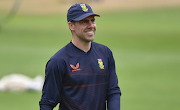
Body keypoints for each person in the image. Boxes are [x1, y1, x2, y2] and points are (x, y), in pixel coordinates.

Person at [39, 3, 121, 110]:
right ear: (71, 26)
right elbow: (47, 103)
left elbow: (113, 91)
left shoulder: (105, 53)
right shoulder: (58, 61)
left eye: (93, 20)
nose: (91, 25)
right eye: (84, 22)